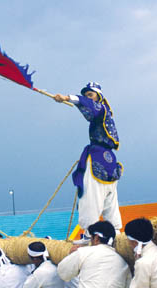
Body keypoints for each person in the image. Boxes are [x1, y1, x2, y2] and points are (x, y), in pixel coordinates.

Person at [54, 83, 123, 238]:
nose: (87, 98)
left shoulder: (101, 109)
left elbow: (91, 106)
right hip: (110, 161)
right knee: (109, 201)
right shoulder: (105, 116)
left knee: (91, 198)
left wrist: (67, 98)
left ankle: (89, 234)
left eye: (90, 95)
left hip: (98, 159)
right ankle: (116, 234)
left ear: (99, 97)